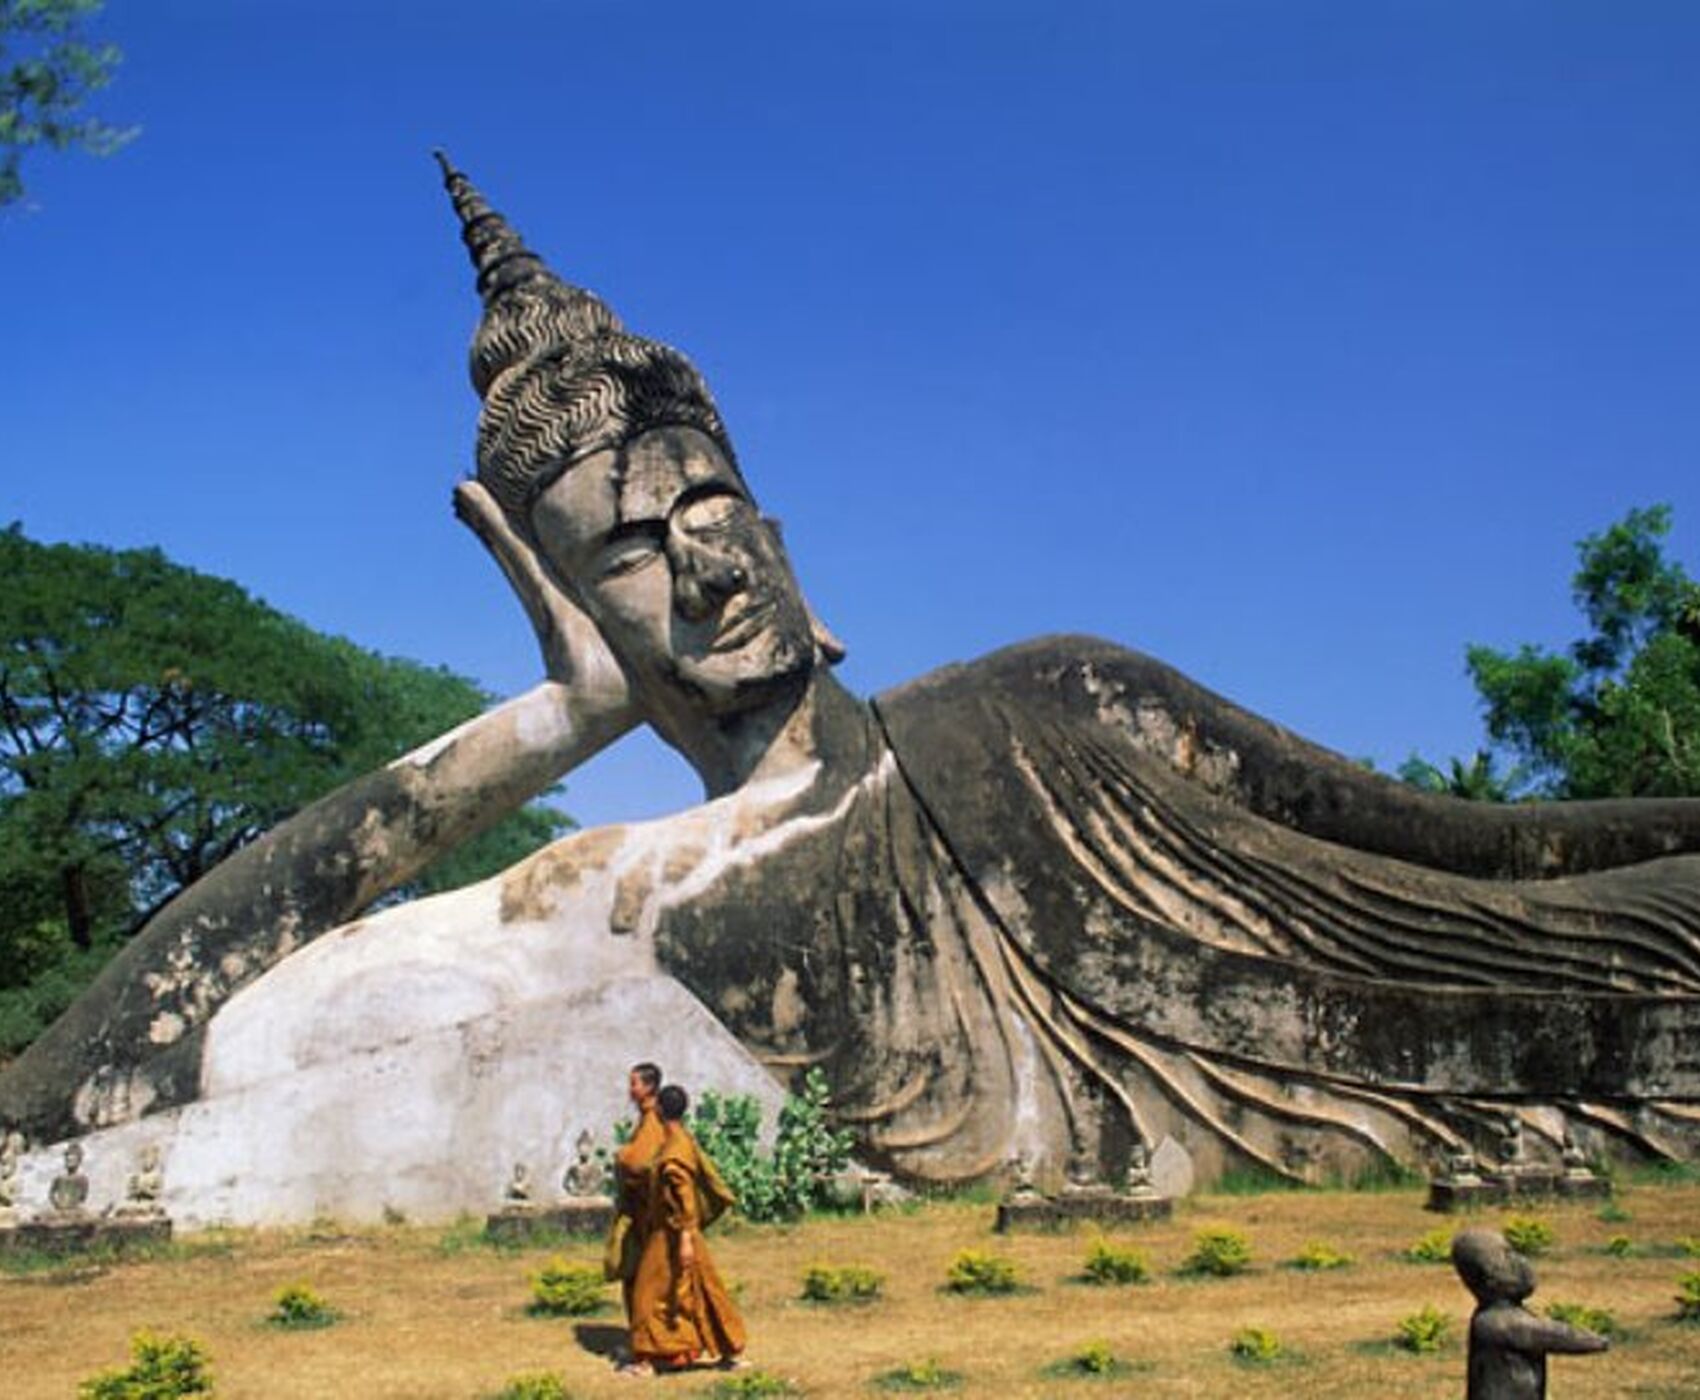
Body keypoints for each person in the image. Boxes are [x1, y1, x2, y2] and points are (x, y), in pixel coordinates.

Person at [4, 156, 1699, 1199]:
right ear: (567, 598)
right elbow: (86, 1100)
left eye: (718, 506)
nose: (709, 565)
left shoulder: (1046, 701)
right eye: (634, 552)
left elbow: (1469, 852)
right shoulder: (591, 899)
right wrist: (557, 720)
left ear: (781, 522)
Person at [622, 1084, 742, 1375]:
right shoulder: (682, 1139)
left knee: (646, 1296)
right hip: (677, 1232)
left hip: (673, 1234)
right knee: (702, 1289)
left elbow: (684, 1194)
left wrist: (686, 1237)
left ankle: (647, 1362)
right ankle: (726, 1351)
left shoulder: (674, 1151)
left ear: (660, 1110)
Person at [1452, 1228, 1607, 1398]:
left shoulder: (1491, 1317)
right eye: (1507, 1256)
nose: (1520, 1262)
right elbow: (1556, 1335)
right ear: (1486, 1273)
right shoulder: (1500, 1322)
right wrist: (1599, 1340)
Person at [606, 1062, 665, 1320]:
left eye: (635, 1084)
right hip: (638, 1211)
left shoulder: (653, 1120)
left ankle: (646, 1338)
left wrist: (623, 1155)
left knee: (640, 1275)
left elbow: (639, 1162)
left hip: (645, 1215)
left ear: (649, 1087)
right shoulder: (645, 1118)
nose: (630, 1090)